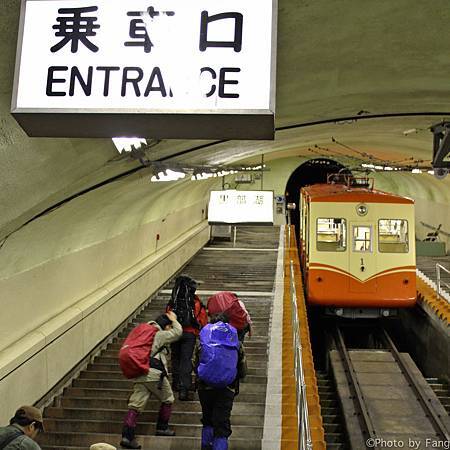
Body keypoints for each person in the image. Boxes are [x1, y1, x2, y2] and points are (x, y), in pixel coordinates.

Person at [120, 311, 182, 449]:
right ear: (166, 326)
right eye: (169, 327)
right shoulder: (158, 334)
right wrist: (174, 320)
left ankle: (127, 436)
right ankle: (162, 427)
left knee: (135, 404)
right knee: (168, 398)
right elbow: (178, 332)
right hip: (153, 373)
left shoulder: (141, 333)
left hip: (139, 370)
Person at [193, 314, 247, 450]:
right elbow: (243, 368)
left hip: (205, 387)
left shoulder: (203, 340)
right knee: (222, 424)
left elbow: (195, 362)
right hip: (227, 388)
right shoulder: (236, 342)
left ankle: (206, 447)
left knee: (208, 419)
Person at [166, 275, 208, 401]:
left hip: (175, 333)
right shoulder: (194, 302)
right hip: (190, 334)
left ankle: (176, 383)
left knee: (175, 357)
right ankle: (184, 389)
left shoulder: (173, 302)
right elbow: (202, 319)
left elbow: (167, 317)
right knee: (186, 359)